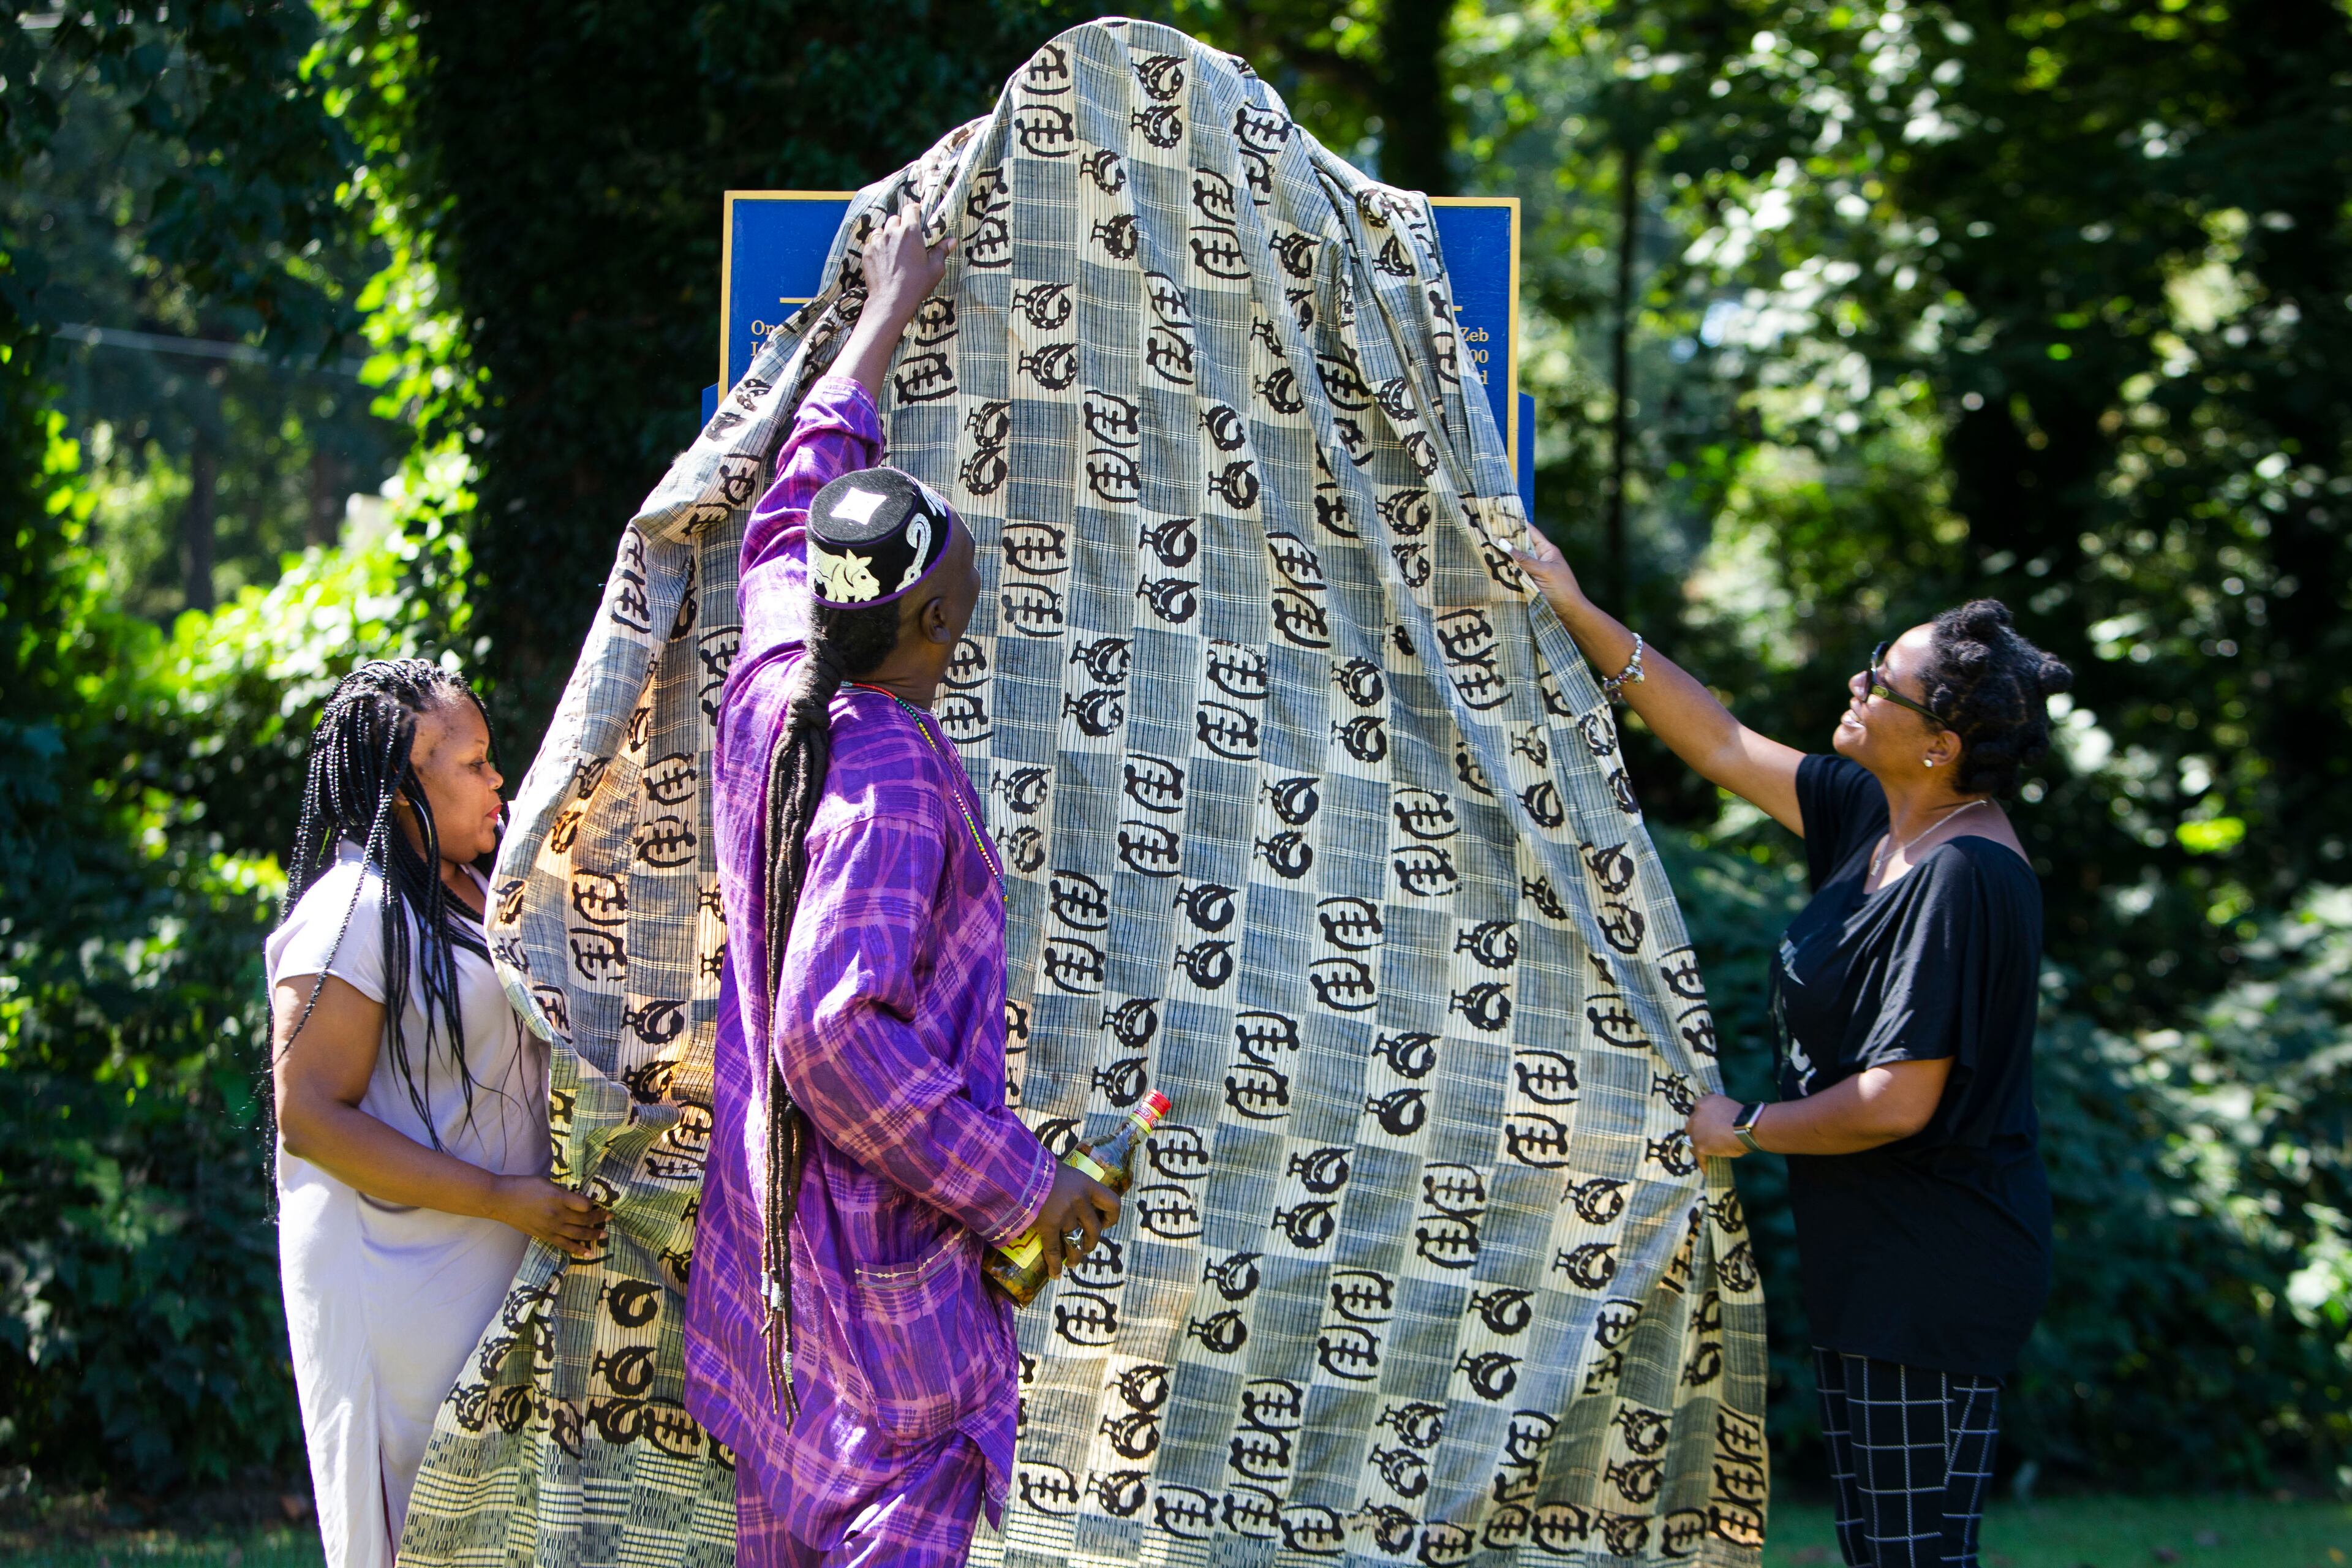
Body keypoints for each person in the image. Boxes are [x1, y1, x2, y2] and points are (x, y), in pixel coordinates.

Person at [684, 205, 1119, 1568]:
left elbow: (788, 504)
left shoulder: (773, 678)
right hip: (890, 1339)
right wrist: (1021, 1183)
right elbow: (829, 1033)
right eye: (964, 572)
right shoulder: (895, 780)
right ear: (935, 620)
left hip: (778, 1303)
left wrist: (885, 311)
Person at [1515, 537, 2067, 1568]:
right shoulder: (1882, 817)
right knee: (1898, 1552)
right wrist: (1576, 607)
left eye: (1884, 682)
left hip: (1933, 1267)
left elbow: (1897, 1100)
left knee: (1905, 1556)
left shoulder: (1961, 878)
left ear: (1941, 741)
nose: (1858, 682)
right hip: (1880, 1255)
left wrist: (1745, 1130)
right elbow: (1722, 744)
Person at [267, 658, 608, 1568]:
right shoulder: (351, 910)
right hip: (399, 1277)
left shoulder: (469, 889)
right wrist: (502, 1196)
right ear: (403, 784)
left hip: (489, 1251)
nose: (497, 779)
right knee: (426, 1531)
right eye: (473, 762)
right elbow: (307, 1116)